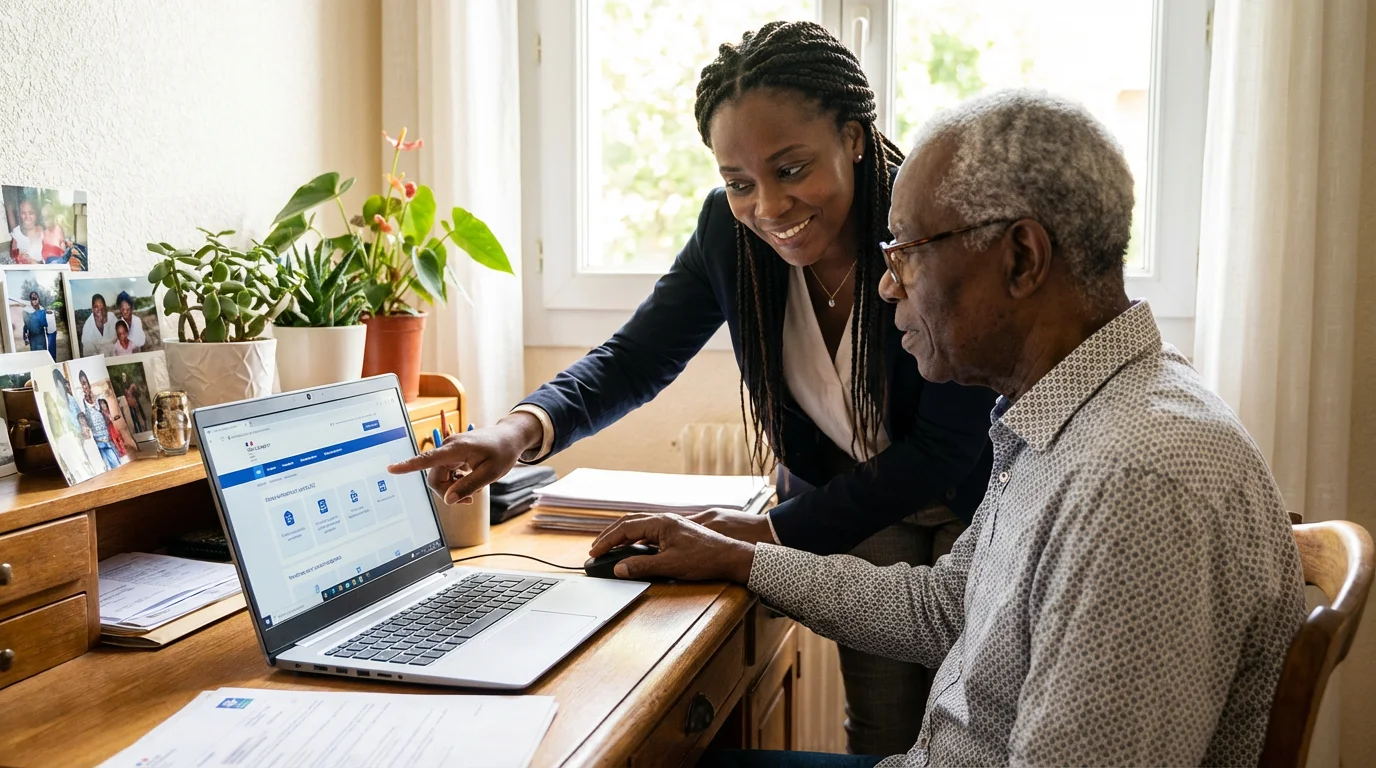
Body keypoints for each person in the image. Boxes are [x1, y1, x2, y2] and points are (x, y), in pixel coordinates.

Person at [585, 90, 1308, 767]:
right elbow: (943, 607)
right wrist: (739, 558)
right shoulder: (1070, 417)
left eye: (906, 249)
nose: (886, 283)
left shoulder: (1133, 488)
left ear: (1021, 258)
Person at [388, 21, 995, 753]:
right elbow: (637, 355)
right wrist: (516, 430)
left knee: (979, 729)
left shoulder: (921, 223)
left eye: (793, 169)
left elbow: (944, 448)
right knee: (884, 735)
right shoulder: (729, 233)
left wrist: (762, 537)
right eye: (739, 182)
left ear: (855, 137)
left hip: (974, 502)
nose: (768, 206)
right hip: (854, 508)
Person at [42, 367, 94, 482]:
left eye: (61, 382)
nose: (60, 386)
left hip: (80, 435)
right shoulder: (56, 401)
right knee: (78, 463)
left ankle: (90, 473)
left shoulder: (70, 398)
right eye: (57, 383)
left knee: (86, 459)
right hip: (70, 438)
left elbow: (79, 413)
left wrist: (84, 427)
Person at [78, 370, 120, 470]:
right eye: (82, 384)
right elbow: (84, 421)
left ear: (88, 383)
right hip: (97, 443)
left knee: (116, 465)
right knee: (105, 468)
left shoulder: (99, 398)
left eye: (85, 383)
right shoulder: (82, 403)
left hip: (108, 439)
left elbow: (108, 414)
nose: (84, 386)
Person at [8, 197, 44, 264]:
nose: (27, 217)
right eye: (23, 213)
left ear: (36, 214)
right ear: (20, 214)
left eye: (31, 213)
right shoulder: (16, 233)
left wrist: (32, 261)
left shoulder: (43, 233)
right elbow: (13, 257)